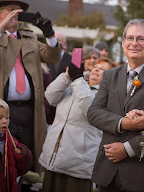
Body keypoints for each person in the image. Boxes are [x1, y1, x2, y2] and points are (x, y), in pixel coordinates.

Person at [0, 0, 61, 172]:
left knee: (24, 160)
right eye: (11, 10)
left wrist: (49, 34)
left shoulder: (29, 38)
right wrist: (2, 27)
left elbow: (52, 56)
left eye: (19, 11)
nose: (16, 14)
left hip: (26, 111)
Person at [87, 19, 144, 192]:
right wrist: (123, 123)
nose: (134, 43)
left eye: (140, 39)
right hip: (107, 172)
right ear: (123, 42)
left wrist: (128, 149)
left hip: (141, 175)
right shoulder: (110, 75)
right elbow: (94, 113)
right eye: (130, 38)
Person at [40, 57, 116, 192]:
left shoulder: (109, 96)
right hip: (55, 158)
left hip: (78, 164)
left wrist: (77, 80)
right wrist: (67, 76)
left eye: (103, 69)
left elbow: (90, 109)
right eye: (96, 66)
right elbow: (50, 96)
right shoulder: (76, 84)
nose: (97, 69)